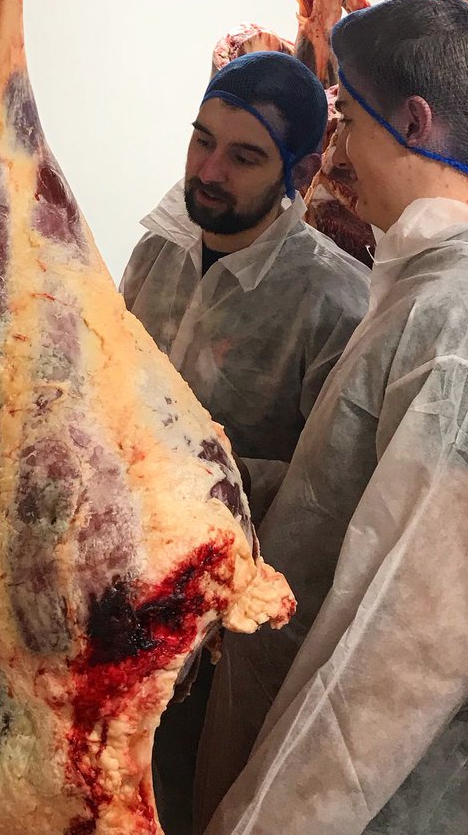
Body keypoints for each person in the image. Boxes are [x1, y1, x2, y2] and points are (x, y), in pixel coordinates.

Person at [194, 0, 468, 835]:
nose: (335, 152)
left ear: (414, 120)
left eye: (348, 121)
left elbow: (406, 649)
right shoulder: (426, 292)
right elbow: (350, 500)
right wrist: (205, 476)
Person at [121, 50, 370, 835]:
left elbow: (332, 488)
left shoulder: (333, 300)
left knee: (198, 804)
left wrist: (192, 476)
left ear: (298, 170)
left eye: (243, 155)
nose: (209, 170)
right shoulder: (157, 252)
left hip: (234, 631)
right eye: (202, 141)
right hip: (123, 595)